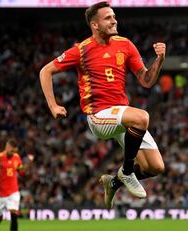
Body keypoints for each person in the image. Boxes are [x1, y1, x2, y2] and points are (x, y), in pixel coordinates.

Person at [39, 1, 165, 209]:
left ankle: (113, 182)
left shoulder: (125, 44)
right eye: (108, 17)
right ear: (94, 25)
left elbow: (146, 81)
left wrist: (159, 59)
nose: (114, 20)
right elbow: (46, 71)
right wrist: (53, 106)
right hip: (99, 116)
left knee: (155, 167)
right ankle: (126, 171)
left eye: (114, 16)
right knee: (142, 117)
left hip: (121, 115)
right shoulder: (81, 50)